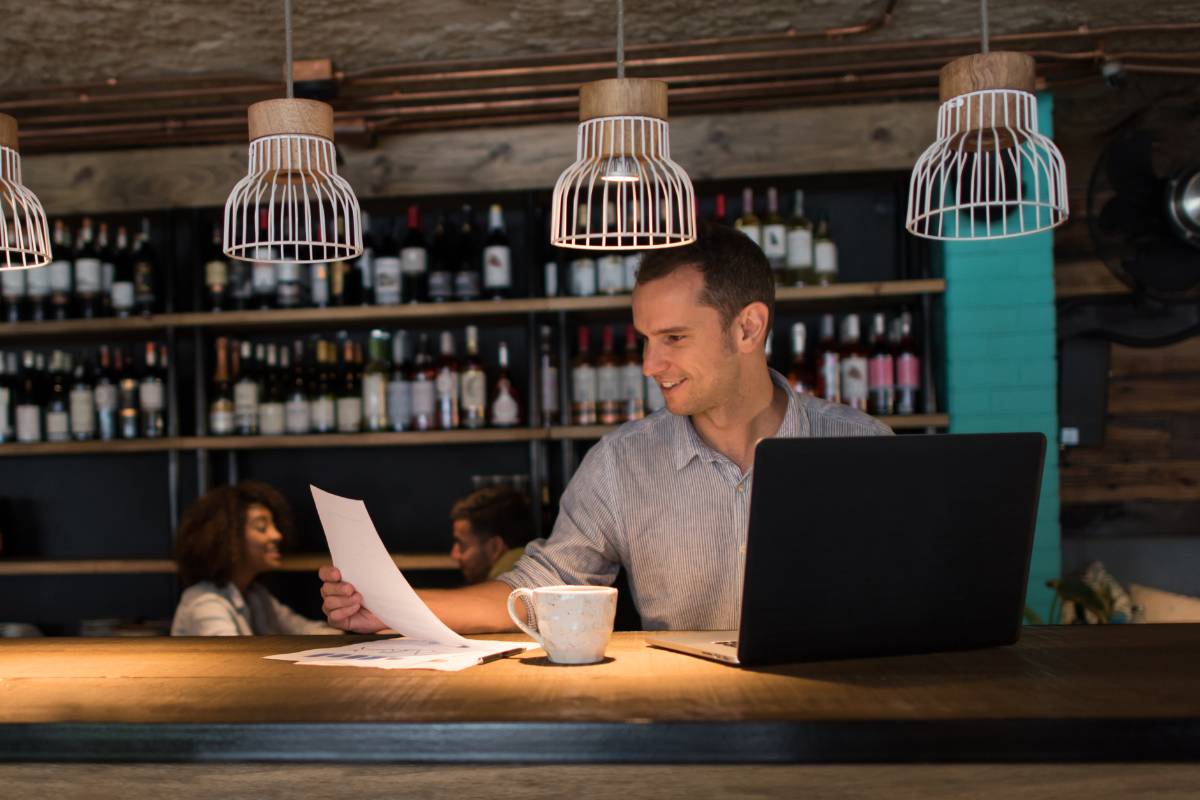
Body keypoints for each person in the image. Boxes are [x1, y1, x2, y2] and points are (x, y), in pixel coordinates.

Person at [320, 222, 892, 634]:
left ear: (748, 328)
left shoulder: (864, 448)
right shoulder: (622, 463)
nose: (649, 366)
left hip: (841, 726)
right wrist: (393, 608)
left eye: (673, 339)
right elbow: (536, 590)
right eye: (645, 340)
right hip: (689, 732)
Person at [172, 480, 337, 636]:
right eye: (261, 527)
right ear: (228, 538)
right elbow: (232, 660)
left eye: (274, 526)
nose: (277, 535)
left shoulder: (255, 595)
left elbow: (305, 629)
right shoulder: (205, 602)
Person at [449, 485, 534, 584]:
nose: (454, 555)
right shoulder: (529, 567)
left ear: (495, 547)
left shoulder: (504, 582)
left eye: (462, 545)